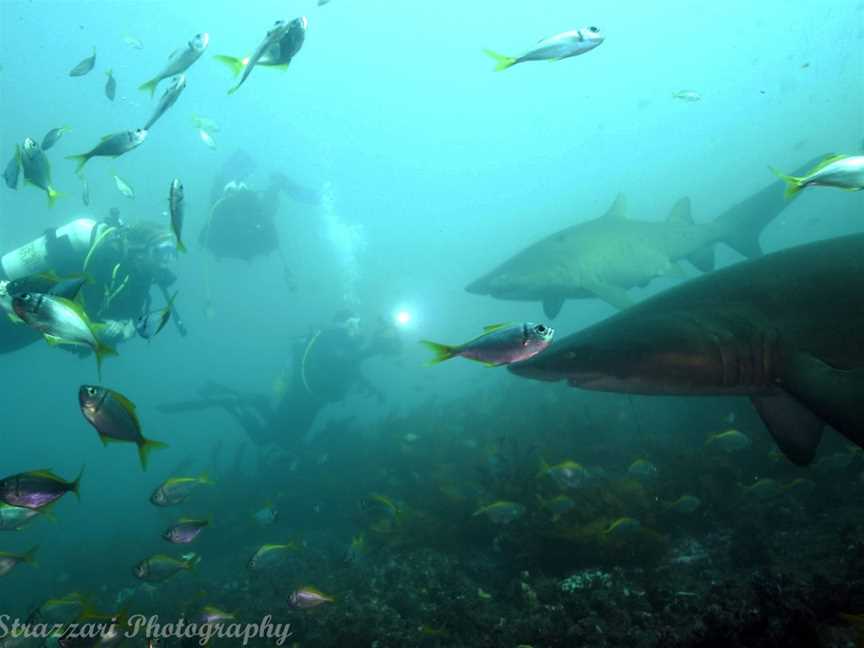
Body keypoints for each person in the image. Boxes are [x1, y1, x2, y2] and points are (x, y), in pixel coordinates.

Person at [159, 310, 402, 447]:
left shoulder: (348, 346)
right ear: (341, 323)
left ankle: (257, 402)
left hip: (314, 400)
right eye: (353, 323)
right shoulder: (330, 339)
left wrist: (369, 385)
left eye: (359, 324)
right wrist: (372, 350)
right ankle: (229, 401)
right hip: (301, 396)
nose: (357, 329)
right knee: (265, 439)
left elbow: (348, 368)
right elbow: (335, 361)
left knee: (284, 438)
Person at [0, 208, 182, 354]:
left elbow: (123, 317)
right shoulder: (105, 259)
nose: (165, 261)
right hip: (20, 299)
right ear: (141, 251)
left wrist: (127, 330)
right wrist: (107, 332)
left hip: (37, 317)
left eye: (171, 254)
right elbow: (84, 309)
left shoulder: (139, 279)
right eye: (159, 252)